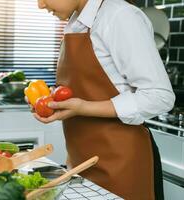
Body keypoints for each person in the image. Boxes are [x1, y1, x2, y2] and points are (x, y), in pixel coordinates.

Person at [34, 0, 175, 199]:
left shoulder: (120, 16)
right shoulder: (75, 23)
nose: (40, 5)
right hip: (81, 161)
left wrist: (83, 107)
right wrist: (52, 99)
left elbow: (160, 96)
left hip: (122, 163)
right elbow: (86, 88)